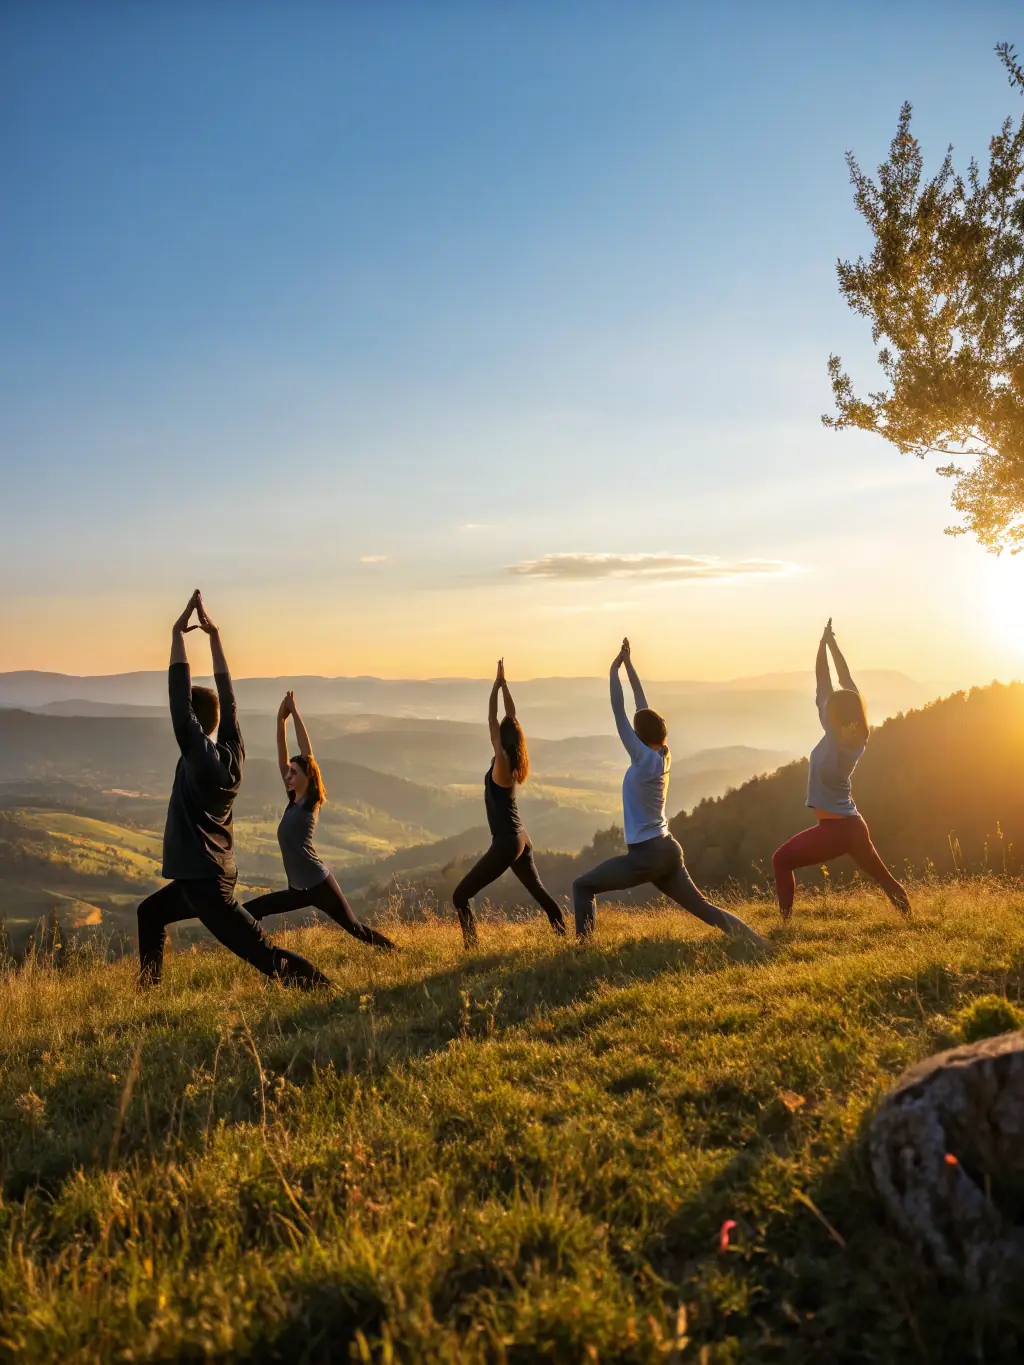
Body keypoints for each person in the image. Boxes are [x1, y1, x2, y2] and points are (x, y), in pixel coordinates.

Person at [137, 591, 331, 989]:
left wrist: (178, 634)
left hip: (204, 881)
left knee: (263, 954)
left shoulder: (198, 754)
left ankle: (326, 989)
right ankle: (147, 992)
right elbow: (229, 698)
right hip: (211, 873)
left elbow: (181, 698)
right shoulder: (232, 751)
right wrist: (214, 636)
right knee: (150, 913)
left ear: (194, 722)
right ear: (218, 722)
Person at [573, 638, 768, 947]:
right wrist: (629, 663)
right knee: (705, 909)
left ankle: (582, 955)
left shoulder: (643, 759)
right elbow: (641, 707)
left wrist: (613, 670)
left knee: (582, 886)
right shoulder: (663, 753)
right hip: (667, 849)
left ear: (639, 738)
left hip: (647, 855)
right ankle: (759, 943)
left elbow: (618, 712)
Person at [771, 619, 911, 922]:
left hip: (836, 830)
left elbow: (826, 684)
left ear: (837, 714)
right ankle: (912, 919)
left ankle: (784, 925)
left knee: (781, 860)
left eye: (830, 706)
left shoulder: (839, 737)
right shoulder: (856, 730)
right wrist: (829, 645)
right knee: (886, 881)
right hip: (851, 825)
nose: (825, 704)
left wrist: (823, 646)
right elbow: (841, 682)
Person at [242, 691, 396, 950]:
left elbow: (307, 752)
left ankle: (395, 952)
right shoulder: (292, 799)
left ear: (308, 777)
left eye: (294, 772)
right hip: (297, 889)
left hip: (319, 884)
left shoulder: (308, 803)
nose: (288, 775)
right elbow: (283, 754)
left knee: (355, 929)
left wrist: (295, 713)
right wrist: (280, 720)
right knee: (249, 911)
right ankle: (262, 956)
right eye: (288, 772)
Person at [452, 659, 567, 947]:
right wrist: (505, 687)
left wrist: (496, 686)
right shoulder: (515, 756)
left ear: (501, 738)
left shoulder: (502, 761)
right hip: (521, 839)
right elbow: (510, 715)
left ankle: (472, 949)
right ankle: (566, 937)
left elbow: (493, 719)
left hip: (506, 843)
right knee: (538, 891)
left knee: (460, 896)